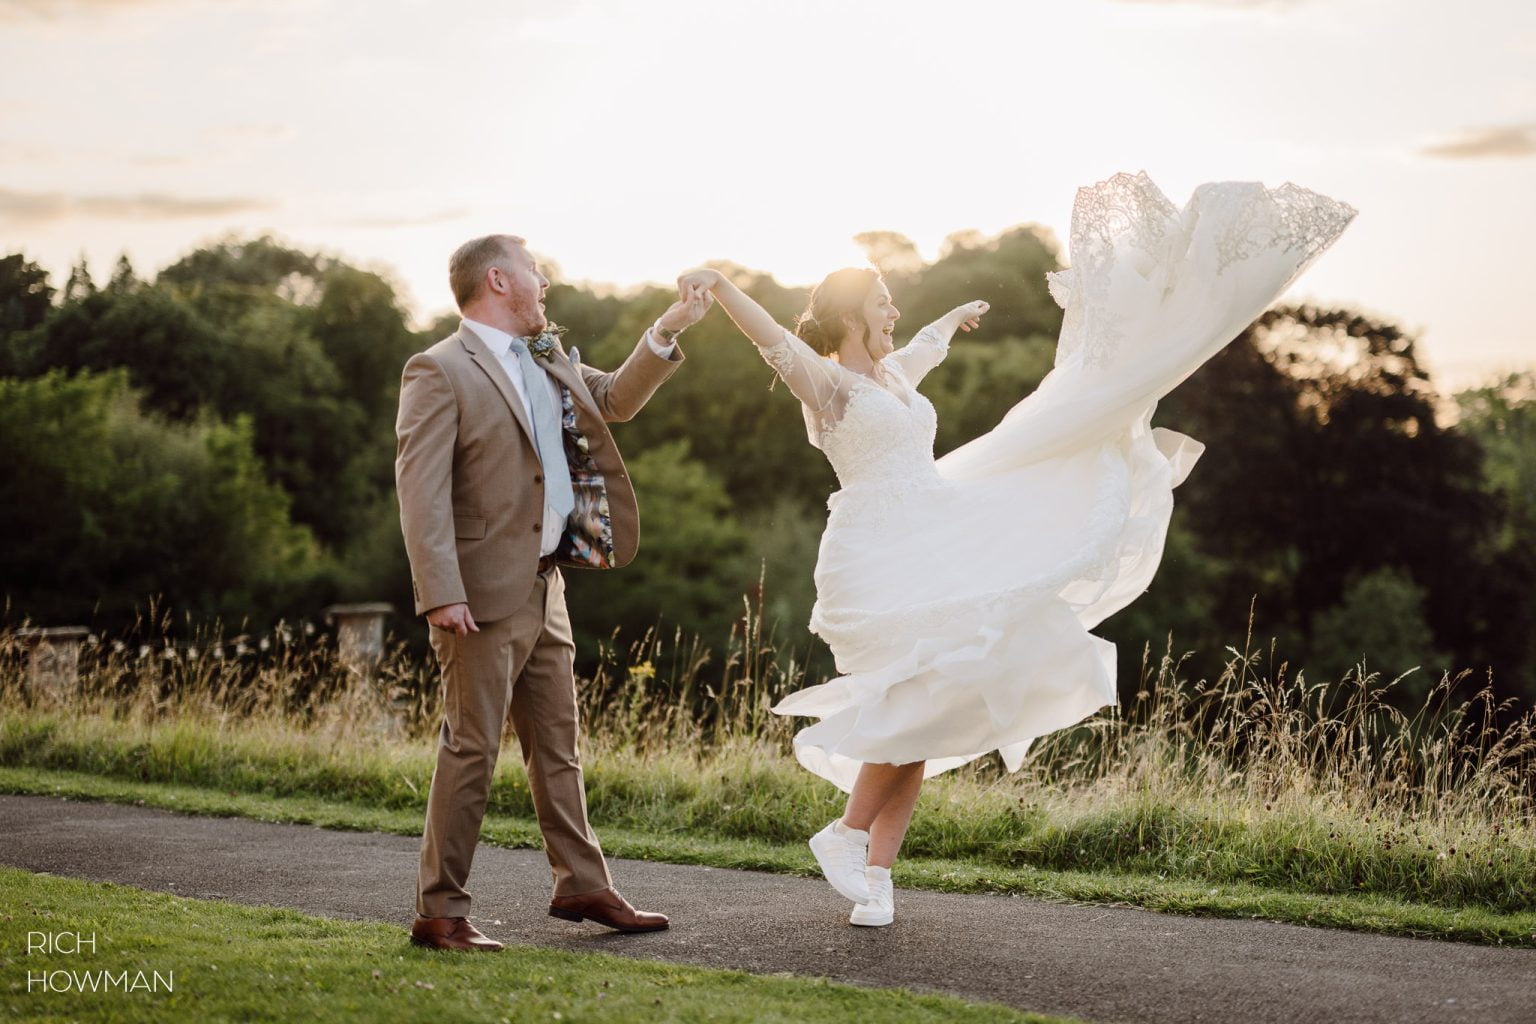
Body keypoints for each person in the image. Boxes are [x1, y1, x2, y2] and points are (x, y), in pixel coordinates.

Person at [679, 171, 1355, 928]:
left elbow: (921, 356)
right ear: (846, 315)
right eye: (880, 302)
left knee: (943, 703)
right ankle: (842, 834)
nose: (893, 311)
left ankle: (875, 875)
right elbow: (770, 338)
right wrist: (722, 284)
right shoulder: (827, 386)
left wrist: (949, 318)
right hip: (880, 550)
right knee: (916, 699)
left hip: (935, 536)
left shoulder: (892, 377)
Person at [396, 233, 711, 950]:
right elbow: (419, 493)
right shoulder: (439, 369)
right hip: (475, 598)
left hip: (547, 584)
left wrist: (666, 329)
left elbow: (614, 401)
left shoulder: (548, 354)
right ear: (501, 281)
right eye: (536, 272)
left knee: (557, 746)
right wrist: (440, 591)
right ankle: (438, 911)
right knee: (471, 748)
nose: (546, 285)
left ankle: (583, 885)